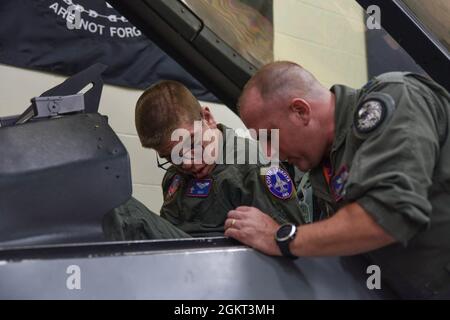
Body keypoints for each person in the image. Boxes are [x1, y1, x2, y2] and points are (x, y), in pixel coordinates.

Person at [224, 61, 450, 299]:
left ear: (301, 111)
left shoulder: (395, 96)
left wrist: (281, 237)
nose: (268, 152)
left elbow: (390, 215)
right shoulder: (324, 164)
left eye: (270, 136)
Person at [103, 80, 307, 241]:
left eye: (192, 145)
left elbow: (291, 238)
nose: (187, 164)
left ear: (208, 118)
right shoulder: (176, 176)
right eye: (172, 156)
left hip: (230, 274)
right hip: (183, 269)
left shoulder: (253, 168)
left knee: (123, 210)